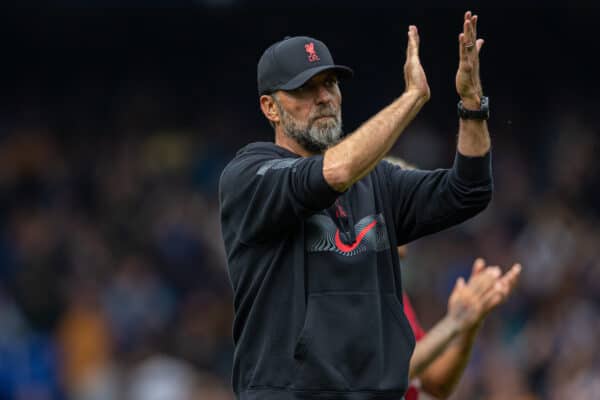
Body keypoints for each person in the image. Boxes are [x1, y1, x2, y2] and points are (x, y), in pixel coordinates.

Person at [220, 11, 493, 400]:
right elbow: (336, 171)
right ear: (270, 108)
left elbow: (469, 190)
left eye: (330, 83)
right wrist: (412, 98)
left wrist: (471, 105)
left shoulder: (376, 180)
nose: (324, 97)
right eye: (304, 89)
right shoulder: (250, 175)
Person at [384, 157, 522, 399]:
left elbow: (435, 383)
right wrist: (454, 322)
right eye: (407, 203)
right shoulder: (344, 287)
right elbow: (379, 377)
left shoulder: (393, 294)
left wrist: (470, 324)